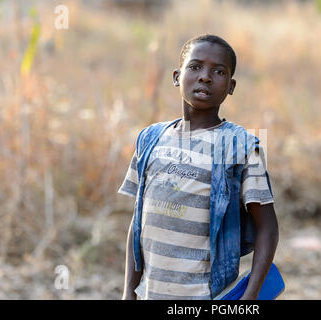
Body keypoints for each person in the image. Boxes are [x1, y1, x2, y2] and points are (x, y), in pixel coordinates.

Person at [118, 34, 279, 300]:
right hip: (151, 292)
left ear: (231, 86)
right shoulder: (151, 139)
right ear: (176, 76)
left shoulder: (240, 147)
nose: (205, 76)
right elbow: (139, 222)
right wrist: (129, 292)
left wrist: (249, 297)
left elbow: (268, 228)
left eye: (218, 71)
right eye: (195, 67)